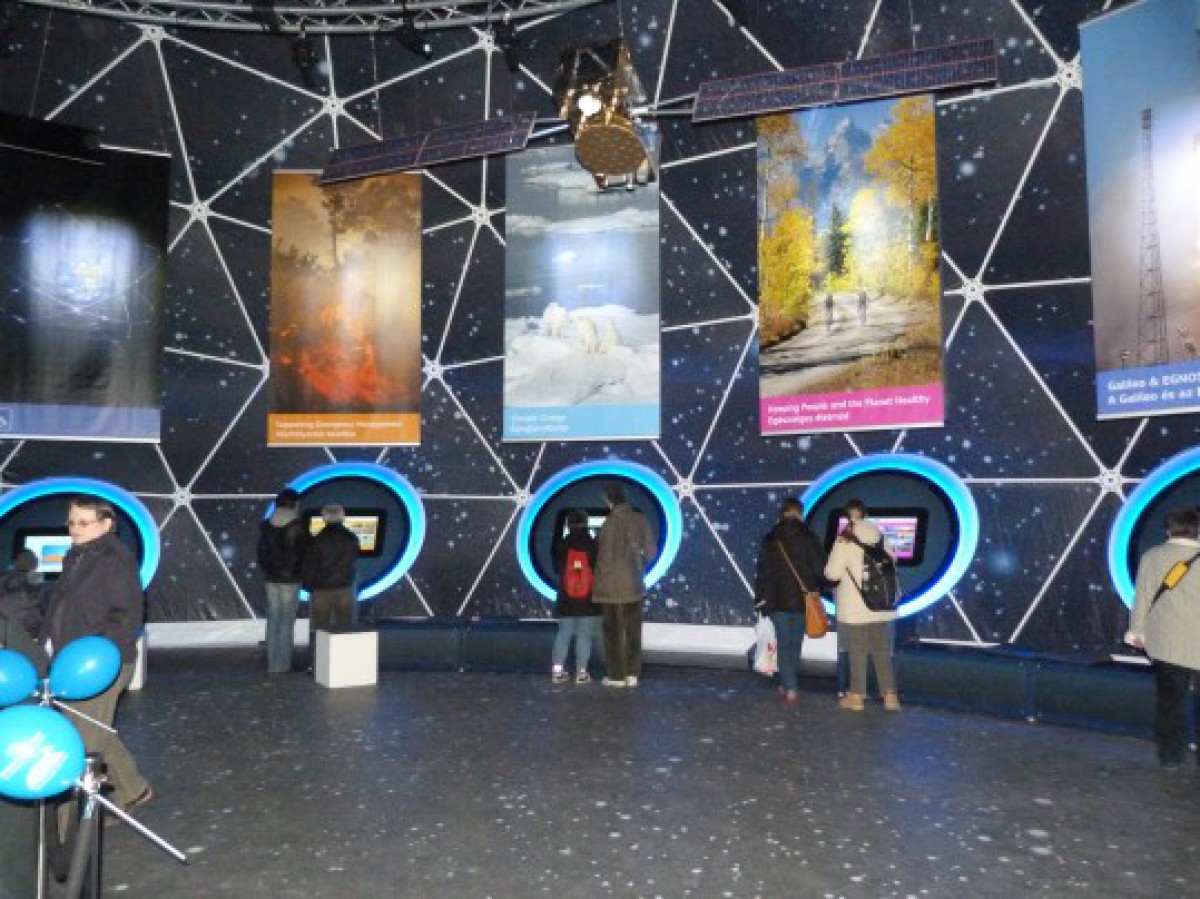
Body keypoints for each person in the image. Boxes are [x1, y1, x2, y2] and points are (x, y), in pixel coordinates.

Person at [40, 496, 152, 814]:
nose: (74, 528)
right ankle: (134, 790)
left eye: (83, 523)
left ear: (106, 525)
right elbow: (61, 606)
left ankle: (72, 822)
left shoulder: (116, 559)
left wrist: (97, 657)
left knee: (82, 741)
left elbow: (127, 616)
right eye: (71, 522)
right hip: (72, 662)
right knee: (91, 727)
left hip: (101, 665)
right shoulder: (76, 555)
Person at [1125, 506, 1200, 768]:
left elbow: (1143, 599)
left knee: (1170, 704)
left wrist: (1136, 631)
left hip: (1167, 643)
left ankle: (1171, 757)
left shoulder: (1152, 556)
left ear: (1168, 529)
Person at [824, 499, 900, 711]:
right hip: (881, 604)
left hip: (856, 606)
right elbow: (892, 563)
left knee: (857, 649)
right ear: (865, 515)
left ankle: (856, 696)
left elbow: (832, 573)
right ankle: (890, 696)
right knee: (881, 649)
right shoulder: (881, 537)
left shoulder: (845, 539)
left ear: (847, 518)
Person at [753, 498, 826, 704]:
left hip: (777, 599)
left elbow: (762, 572)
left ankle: (789, 685)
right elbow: (819, 570)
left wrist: (760, 599)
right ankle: (790, 683)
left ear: (782, 513)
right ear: (800, 513)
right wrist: (819, 587)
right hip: (804, 599)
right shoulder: (810, 538)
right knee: (795, 643)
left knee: (783, 643)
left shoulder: (770, 539)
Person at [592, 483, 656, 688]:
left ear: (608, 500)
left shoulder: (610, 523)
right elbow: (651, 552)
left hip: (610, 586)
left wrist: (597, 582)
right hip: (633, 584)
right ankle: (632, 673)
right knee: (633, 629)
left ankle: (616, 676)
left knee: (612, 631)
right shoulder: (640, 518)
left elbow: (604, 558)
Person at [257, 488, 312, 674]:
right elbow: (306, 553)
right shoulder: (298, 526)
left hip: (271, 578)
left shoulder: (266, 526)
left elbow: (261, 554)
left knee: (273, 620)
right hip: (291, 580)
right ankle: (284, 664)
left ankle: (272, 664)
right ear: (294, 504)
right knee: (287, 623)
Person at [550, 510, 601, 684]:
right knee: (584, 635)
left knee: (564, 634)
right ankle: (581, 672)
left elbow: (556, 569)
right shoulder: (593, 545)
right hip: (588, 598)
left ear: (568, 525)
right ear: (586, 523)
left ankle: (558, 671)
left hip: (566, 597)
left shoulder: (561, 544)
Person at [301, 504, 360, 639]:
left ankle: (319, 653)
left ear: (324, 518)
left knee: (319, 631)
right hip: (345, 588)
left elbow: (310, 565)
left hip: (321, 590)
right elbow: (353, 559)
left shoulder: (317, 540)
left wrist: (308, 585)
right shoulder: (352, 538)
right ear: (342, 517)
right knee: (345, 629)